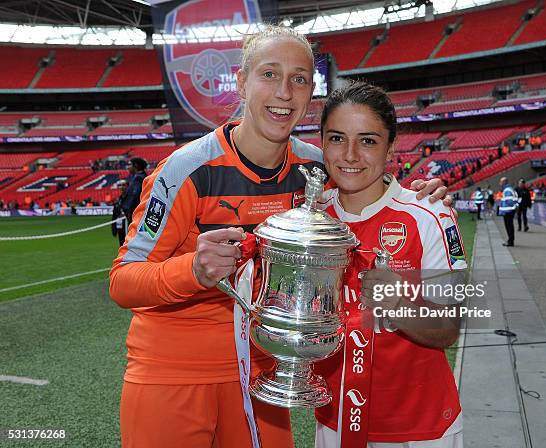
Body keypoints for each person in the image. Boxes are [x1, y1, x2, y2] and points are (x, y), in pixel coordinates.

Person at [108, 26, 451, 448]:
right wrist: (192, 270)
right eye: (269, 74)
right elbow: (123, 282)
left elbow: (367, 179)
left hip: (265, 371)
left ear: (312, 92)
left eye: (300, 79)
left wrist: (421, 193)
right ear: (241, 81)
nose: (285, 92)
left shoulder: (313, 168)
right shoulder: (185, 169)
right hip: (174, 372)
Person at [314, 82, 465, 448]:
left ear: (391, 146)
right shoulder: (311, 218)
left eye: (367, 140)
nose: (350, 154)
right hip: (335, 422)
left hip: (422, 430)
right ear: (322, 143)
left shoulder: (432, 215)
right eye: (337, 138)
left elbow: (449, 328)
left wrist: (396, 301)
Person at [121, 157, 147, 225]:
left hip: (136, 214)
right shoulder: (143, 176)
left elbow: (135, 195)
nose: (127, 167)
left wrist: (129, 210)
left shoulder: (138, 178)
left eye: (129, 165)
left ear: (135, 166)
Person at [499, 176, 518, 246]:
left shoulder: (507, 190)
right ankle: (510, 240)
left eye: (500, 182)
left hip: (508, 211)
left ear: (504, 182)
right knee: (510, 226)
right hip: (509, 211)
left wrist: (509, 209)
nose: (500, 183)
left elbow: (509, 201)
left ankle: (510, 241)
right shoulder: (510, 189)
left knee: (509, 226)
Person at [111, 180, 128, 246]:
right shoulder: (118, 201)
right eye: (120, 185)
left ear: (127, 186)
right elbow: (114, 216)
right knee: (122, 245)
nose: (121, 187)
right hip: (120, 228)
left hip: (130, 227)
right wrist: (114, 229)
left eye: (123, 185)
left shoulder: (131, 199)